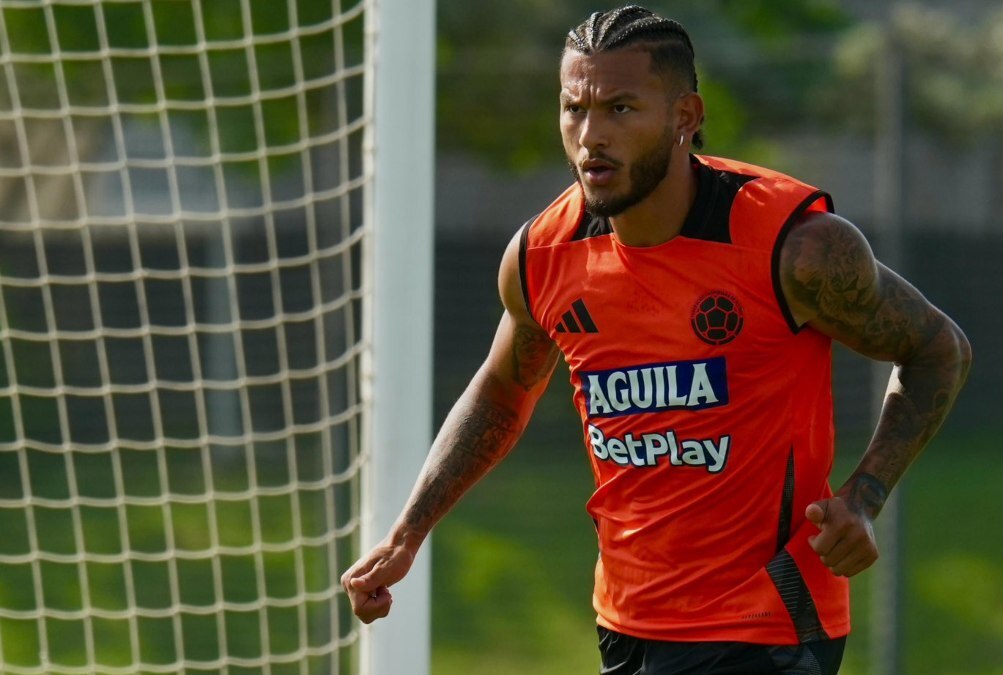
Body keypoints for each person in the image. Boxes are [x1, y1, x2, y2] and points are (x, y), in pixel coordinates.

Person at [342, 6, 971, 674]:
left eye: (619, 109)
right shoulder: (542, 256)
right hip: (626, 622)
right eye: (574, 109)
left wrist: (863, 497)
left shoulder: (798, 249)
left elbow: (938, 349)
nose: (590, 137)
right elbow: (504, 390)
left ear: (685, 116)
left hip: (769, 626)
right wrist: (409, 533)